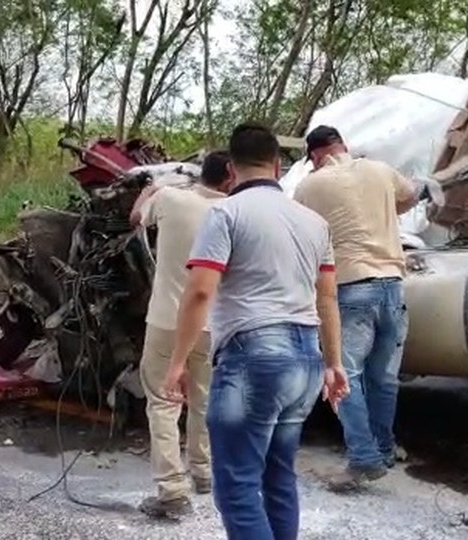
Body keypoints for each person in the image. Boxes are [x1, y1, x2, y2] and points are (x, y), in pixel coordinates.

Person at [162, 122, 350, 540]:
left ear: (230, 168)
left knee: (237, 484)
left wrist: (177, 363)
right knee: (278, 477)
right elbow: (328, 299)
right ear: (279, 166)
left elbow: (199, 294)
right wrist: (335, 363)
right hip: (305, 361)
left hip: (254, 360)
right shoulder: (314, 223)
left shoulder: (226, 214)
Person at [292, 125, 418, 491]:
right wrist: (381, 213)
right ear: (343, 146)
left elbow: (298, 234)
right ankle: (383, 448)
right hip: (393, 285)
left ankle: (363, 458)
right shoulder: (380, 170)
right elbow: (410, 196)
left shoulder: (310, 186)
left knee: (344, 377)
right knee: (384, 378)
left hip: (349, 289)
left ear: (315, 156)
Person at [129, 150, 234, 518]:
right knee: (203, 401)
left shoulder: (171, 198)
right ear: (230, 178)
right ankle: (203, 474)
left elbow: (136, 218)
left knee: (162, 401)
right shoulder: (236, 213)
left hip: (166, 321)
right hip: (212, 324)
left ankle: (172, 491)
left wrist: (152, 187)